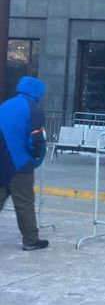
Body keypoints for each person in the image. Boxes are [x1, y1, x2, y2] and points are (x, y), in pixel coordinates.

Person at [0, 76, 49, 251]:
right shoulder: (34, 109)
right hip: (19, 163)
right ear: (37, 92)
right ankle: (31, 240)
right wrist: (35, 158)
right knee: (24, 202)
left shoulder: (5, 105)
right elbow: (36, 139)